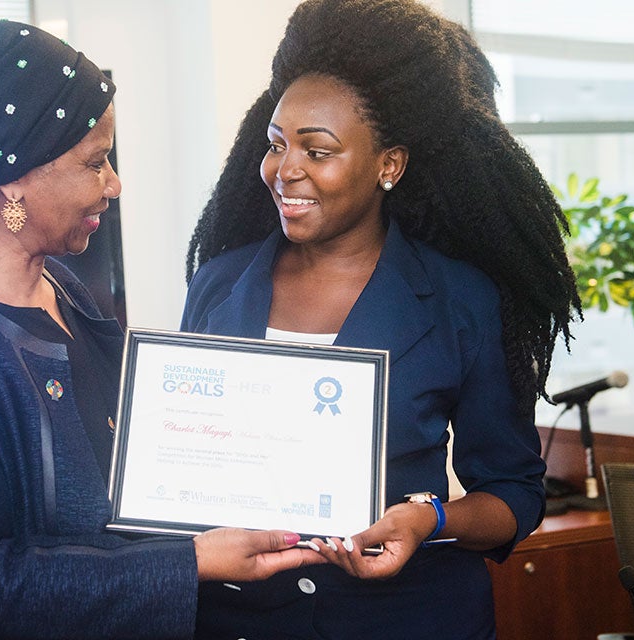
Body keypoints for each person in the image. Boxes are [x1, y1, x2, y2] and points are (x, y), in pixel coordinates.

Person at [0, 20, 322, 640]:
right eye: (96, 162)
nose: (114, 185)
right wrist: (187, 563)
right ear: (12, 176)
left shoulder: (62, 288)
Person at [181, 1, 582, 638]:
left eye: (318, 150)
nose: (286, 170)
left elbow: (513, 493)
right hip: (243, 620)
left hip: (406, 617)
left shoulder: (460, 301)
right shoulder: (219, 285)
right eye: (277, 144)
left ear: (387, 166)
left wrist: (431, 519)